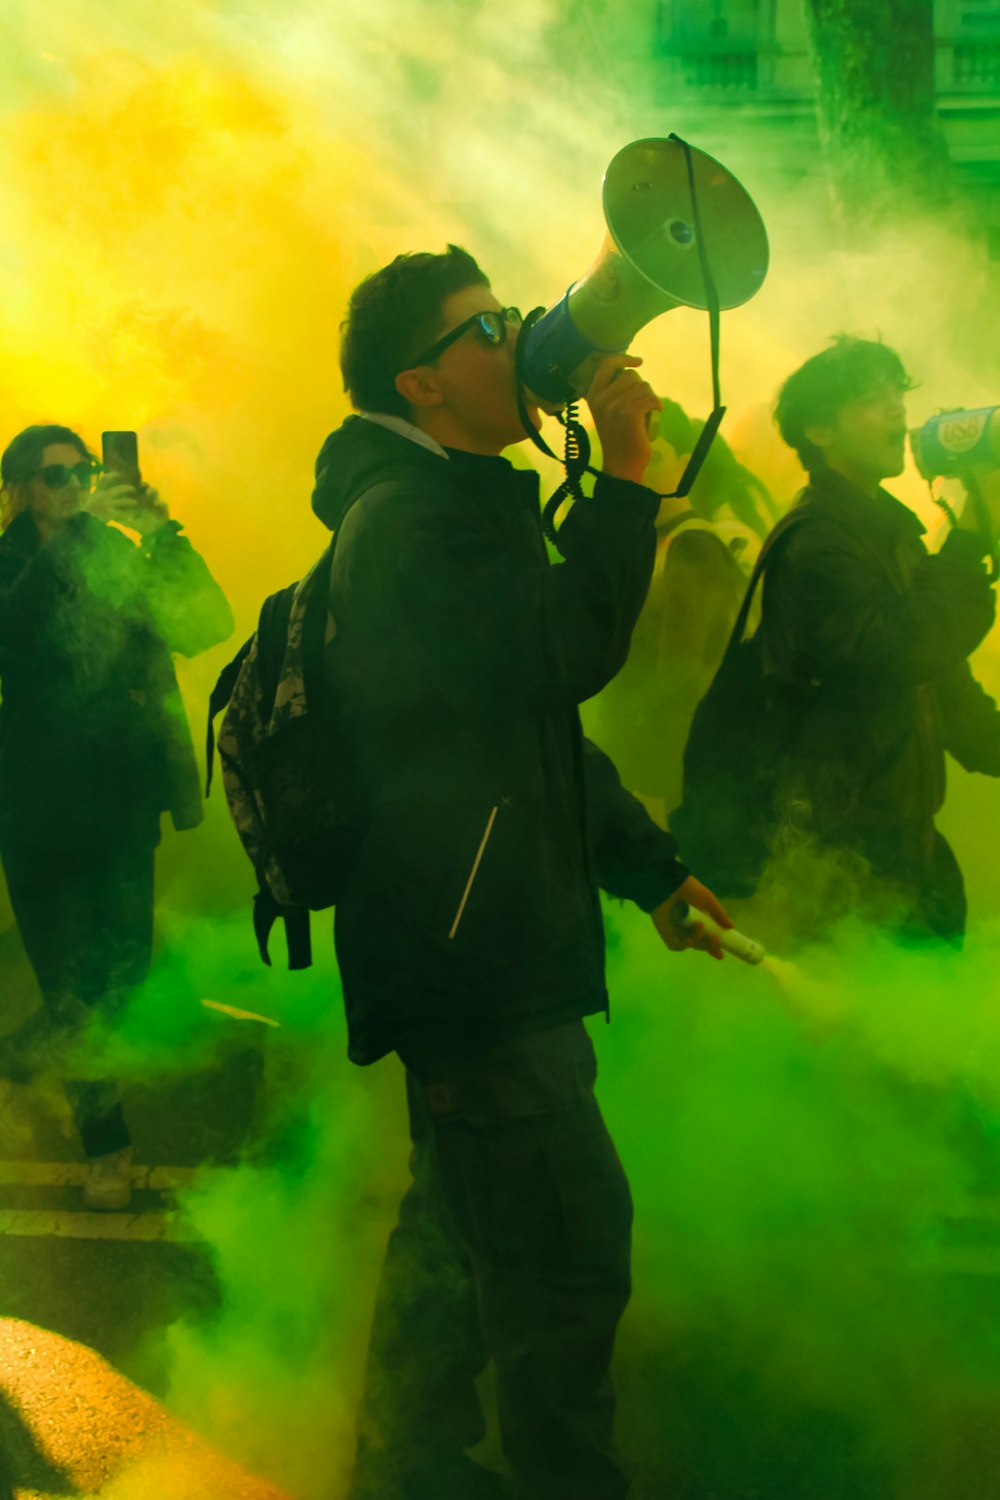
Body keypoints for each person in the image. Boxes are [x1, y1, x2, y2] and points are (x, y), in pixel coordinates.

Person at [311, 245, 732, 1500]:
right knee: (563, 1248)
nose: (520, 337)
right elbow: (564, 655)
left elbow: (528, 730)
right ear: (420, 385)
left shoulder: (455, 502)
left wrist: (649, 867)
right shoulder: (407, 523)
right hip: (473, 952)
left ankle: (407, 1465)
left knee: (459, 1232)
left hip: (474, 939)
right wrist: (624, 480)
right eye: (485, 328)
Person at [0, 424, 233, 1207]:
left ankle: (17, 1061)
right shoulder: (9, 563)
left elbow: (206, 622)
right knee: (69, 982)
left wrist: (160, 529)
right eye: (54, 476)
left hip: (121, 801)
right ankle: (107, 1146)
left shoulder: (120, 553)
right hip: (34, 808)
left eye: (83, 472)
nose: (72, 486)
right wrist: (72, 541)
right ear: (22, 489)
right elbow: (12, 637)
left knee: (121, 977)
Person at [759, 336, 1000, 940]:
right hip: (844, 862)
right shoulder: (816, 543)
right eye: (873, 399)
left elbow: (943, 685)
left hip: (908, 851)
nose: (898, 411)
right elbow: (895, 652)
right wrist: (970, 536)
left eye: (898, 395)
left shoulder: (889, 533)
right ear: (820, 431)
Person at [586, 400, 775, 824]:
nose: (636, 468)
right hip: (646, 770)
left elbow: (681, 683)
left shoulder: (694, 547)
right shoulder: (654, 545)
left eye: (653, 457)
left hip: (676, 785)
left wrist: (653, 790)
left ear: (687, 466)